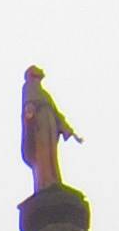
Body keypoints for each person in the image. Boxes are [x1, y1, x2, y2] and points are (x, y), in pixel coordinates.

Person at [20, 65, 80, 196]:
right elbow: (28, 104)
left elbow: (56, 113)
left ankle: (53, 180)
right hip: (40, 125)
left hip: (49, 125)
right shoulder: (29, 86)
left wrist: (67, 129)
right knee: (42, 154)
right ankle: (44, 182)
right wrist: (29, 115)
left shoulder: (45, 94)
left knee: (50, 153)